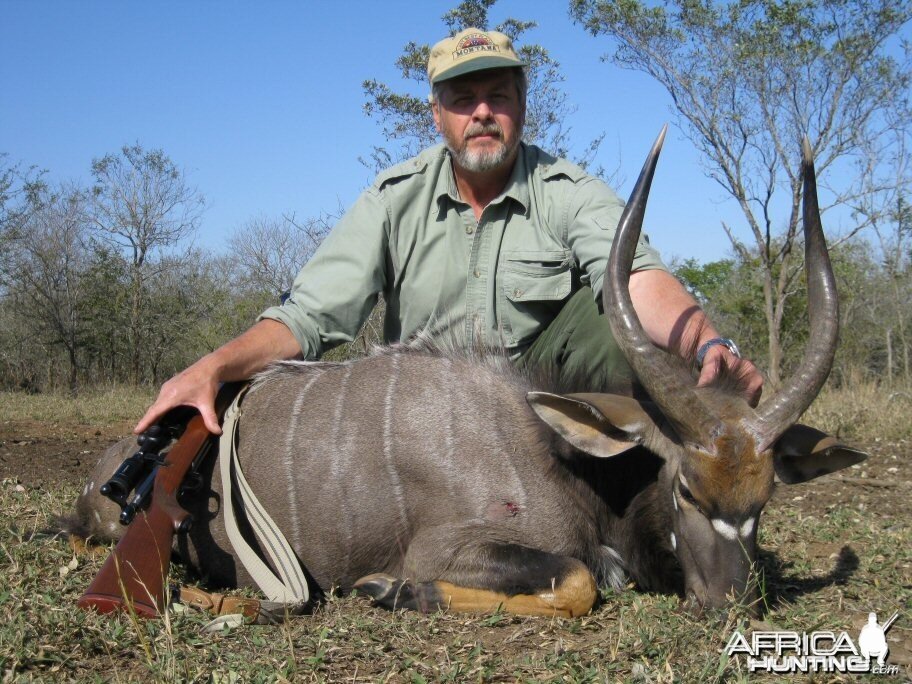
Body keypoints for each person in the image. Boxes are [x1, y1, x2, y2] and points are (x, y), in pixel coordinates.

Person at [136, 27, 762, 436]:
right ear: (437, 114)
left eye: (498, 94)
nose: (482, 111)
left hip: (543, 420)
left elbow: (638, 280)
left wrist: (710, 346)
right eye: (463, 99)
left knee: (613, 322)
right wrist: (213, 366)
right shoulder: (392, 199)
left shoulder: (568, 191)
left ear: (522, 104)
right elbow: (308, 318)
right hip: (425, 419)